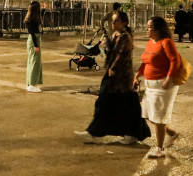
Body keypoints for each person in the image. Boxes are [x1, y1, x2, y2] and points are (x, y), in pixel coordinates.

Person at [76, 11, 150, 144]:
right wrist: (106, 47)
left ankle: (95, 133)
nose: (113, 23)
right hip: (114, 76)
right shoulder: (115, 35)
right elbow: (111, 53)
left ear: (124, 23)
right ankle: (99, 132)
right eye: (112, 21)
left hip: (120, 77)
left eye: (116, 21)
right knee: (120, 105)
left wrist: (113, 69)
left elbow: (121, 55)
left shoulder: (125, 37)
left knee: (109, 103)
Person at [134, 16, 181, 159]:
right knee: (150, 116)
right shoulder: (150, 43)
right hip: (150, 85)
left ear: (158, 29)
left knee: (159, 117)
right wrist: (137, 75)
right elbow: (146, 61)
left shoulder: (166, 42)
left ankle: (160, 149)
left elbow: (175, 61)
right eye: (147, 26)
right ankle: (171, 133)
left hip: (163, 85)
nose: (147, 29)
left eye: (150, 27)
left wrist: (169, 78)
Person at [24, 1, 43, 93]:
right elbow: (32, 33)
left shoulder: (29, 18)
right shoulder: (32, 20)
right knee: (35, 62)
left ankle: (30, 83)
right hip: (34, 40)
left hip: (32, 40)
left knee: (31, 62)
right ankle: (32, 84)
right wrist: (36, 45)